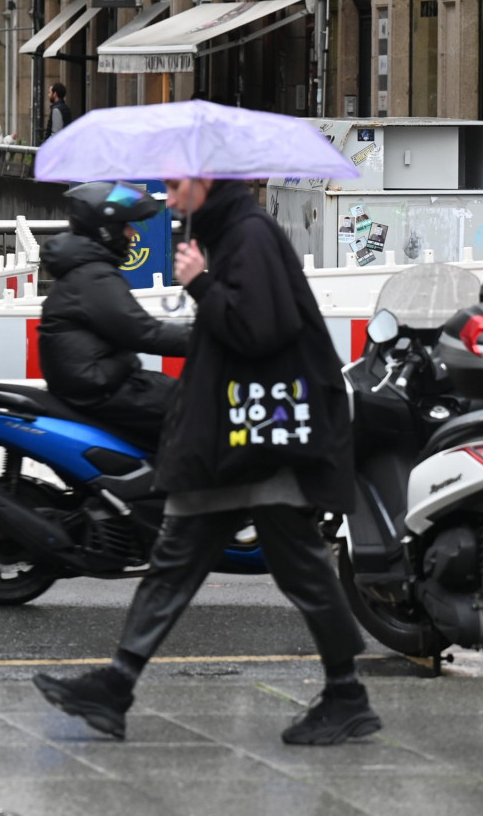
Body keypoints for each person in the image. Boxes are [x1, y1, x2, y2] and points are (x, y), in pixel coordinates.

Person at [33, 178, 380, 747]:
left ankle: (347, 693)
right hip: (232, 438)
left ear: (207, 179)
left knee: (300, 571)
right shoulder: (226, 234)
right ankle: (115, 686)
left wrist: (201, 283)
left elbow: (259, 330)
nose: (167, 199)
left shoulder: (249, 235)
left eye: (174, 185)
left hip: (262, 438)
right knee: (178, 561)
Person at [38, 182, 189, 450]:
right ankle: (179, 488)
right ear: (107, 231)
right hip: (103, 389)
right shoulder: (93, 276)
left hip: (102, 382)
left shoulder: (87, 270)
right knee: (199, 411)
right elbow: (145, 333)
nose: (132, 233)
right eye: (126, 226)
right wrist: (209, 334)